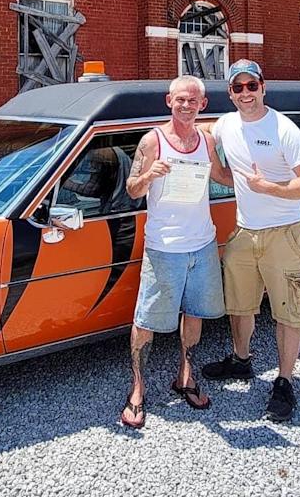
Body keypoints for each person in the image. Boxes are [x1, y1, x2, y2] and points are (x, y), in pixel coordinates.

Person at [202, 59, 300, 423]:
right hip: (244, 230)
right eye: (237, 88)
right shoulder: (225, 124)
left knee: (288, 311)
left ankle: (285, 381)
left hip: (284, 232)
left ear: (263, 87)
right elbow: (218, 160)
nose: (245, 94)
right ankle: (241, 360)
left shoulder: (284, 128)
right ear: (231, 93)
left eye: (250, 86)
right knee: (240, 304)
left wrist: (267, 187)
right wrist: (205, 152)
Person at [120, 75, 231, 429]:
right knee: (147, 320)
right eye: (180, 100)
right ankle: (137, 390)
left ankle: (186, 376)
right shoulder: (152, 141)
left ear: (203, 105)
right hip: (163, 248)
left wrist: (263, 177)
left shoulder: (207, 141)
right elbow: (132, 190)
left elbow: (224, 177)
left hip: (202, 243)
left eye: (193, 100)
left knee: (195, 313)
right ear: (169, 101)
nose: (186, 105)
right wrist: (149, 174)